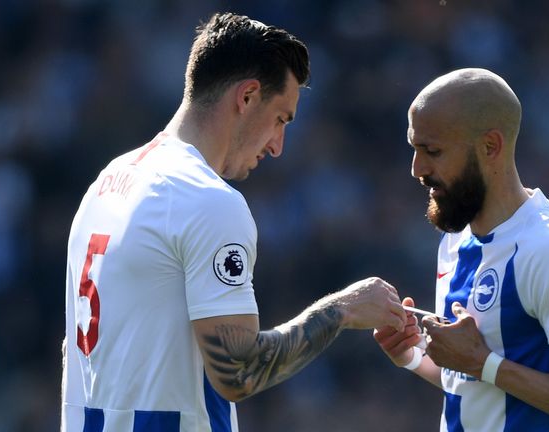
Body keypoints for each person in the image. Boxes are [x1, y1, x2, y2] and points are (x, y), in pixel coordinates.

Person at [61, 13, 407, 432]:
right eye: (280, 119)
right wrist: (341, 311)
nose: (278, 146)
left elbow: (74, 351)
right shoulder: (207, 200)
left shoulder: (107, 183)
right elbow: (238, 372)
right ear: (247, 97)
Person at [374, 69, 549, 432]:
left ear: (490, 146)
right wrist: (412, 356)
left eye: (433, 151)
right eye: (415, 149)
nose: (418, 169)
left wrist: (483, 363)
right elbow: (480, 385)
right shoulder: (455, 237)